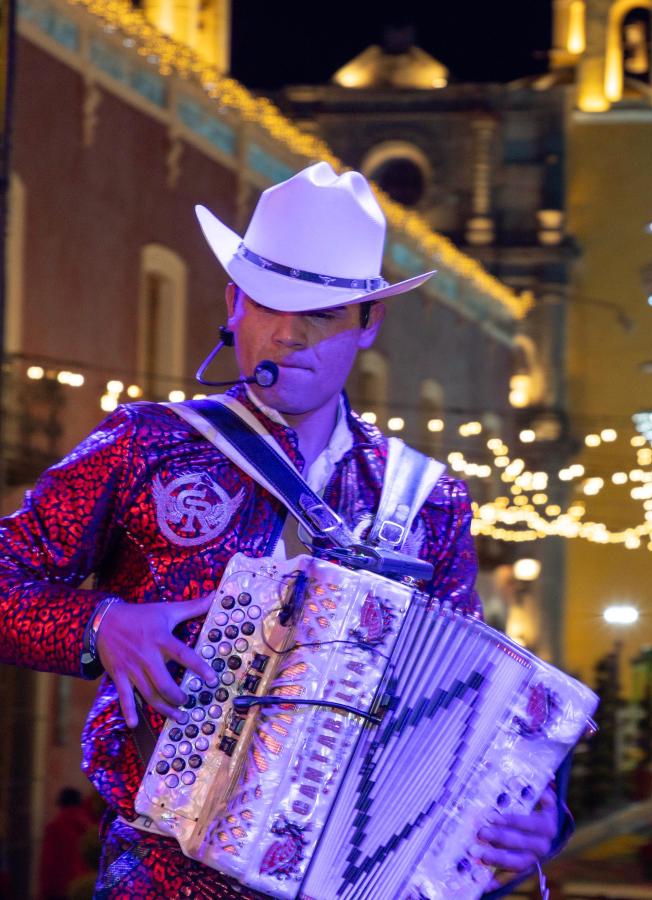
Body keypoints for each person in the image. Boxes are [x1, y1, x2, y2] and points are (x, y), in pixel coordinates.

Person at [0, 162, 567, 896]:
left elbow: (462, 705)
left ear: (369, 325)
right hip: (164, 876)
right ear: (234, 301)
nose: (288, 334)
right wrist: (102, 625)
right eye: (267, 302)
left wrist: (534, 814)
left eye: (322, 314)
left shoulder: (429, 500)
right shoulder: (147, 444)